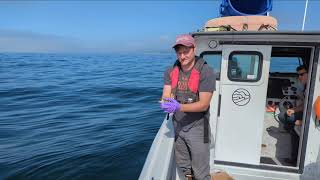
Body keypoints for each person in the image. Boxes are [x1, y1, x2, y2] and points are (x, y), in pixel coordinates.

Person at [160, 34, 216, 180]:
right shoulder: (170, 71)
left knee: (201, 172)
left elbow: (204, 105)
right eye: (179, 53)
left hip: (198, 127)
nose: (182, 56)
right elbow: (166, 94)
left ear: (194, 49)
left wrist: (178, 107)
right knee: (184, 166)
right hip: (178, 125)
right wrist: (166, 102)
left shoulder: (206, 71)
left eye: (186, 52)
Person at [284, 65, 308, 165]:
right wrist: (293, 110)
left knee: (294, 126)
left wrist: (303, 122)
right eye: (298, 75)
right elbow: (305, 104)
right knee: (289, 120)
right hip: (307, 116)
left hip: (312, 123)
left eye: (302, 74)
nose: (299, 77)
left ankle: (297, 161)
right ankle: (295, 160)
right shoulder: (308, 87)